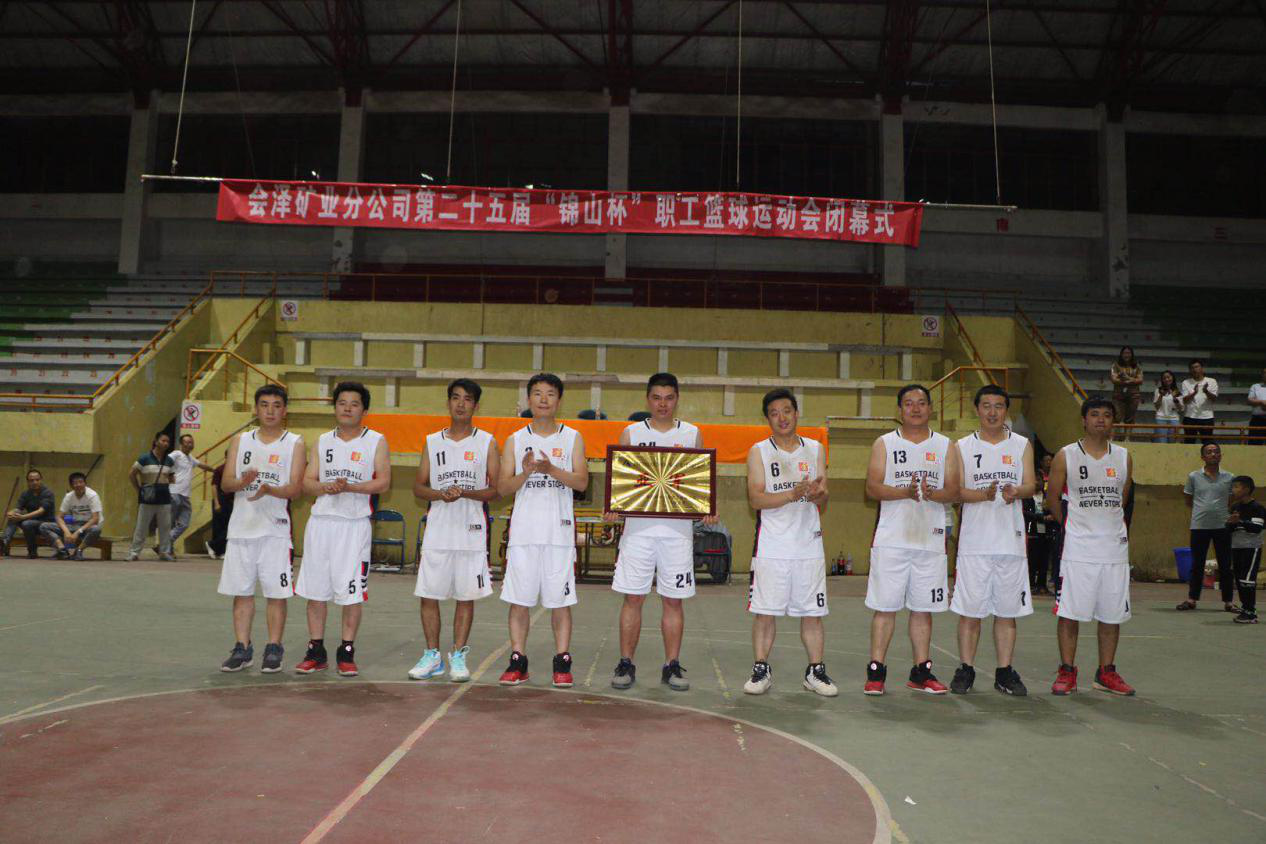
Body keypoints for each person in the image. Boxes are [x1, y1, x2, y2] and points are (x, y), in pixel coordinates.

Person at [607, 373, 711, 692]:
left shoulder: (692, 434)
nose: (662, 404)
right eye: (656, 397)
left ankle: (672, 665)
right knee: (633, 597)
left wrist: (707, 506)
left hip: (677, 533)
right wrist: (614, 505)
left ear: (677, 399)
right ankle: (626, 662)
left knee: (673, 601)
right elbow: (621, 480)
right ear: (648, 399)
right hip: (638, 531)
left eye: (668, 398)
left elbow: (700, 481)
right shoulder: (632, 433)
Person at [862, 384, 962, 696]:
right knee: (885, 608)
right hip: (891, 539)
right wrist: (905, 491)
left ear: (930, 408)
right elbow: (872, 488)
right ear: (899, 410)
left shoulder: (945, 445)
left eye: (921, 403)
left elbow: (954, 490)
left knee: (923, 609)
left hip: (929, 541)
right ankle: (876, 672)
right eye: (909, 403)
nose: (915, 408)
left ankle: (921, 672)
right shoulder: (885, 443)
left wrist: (934, 494)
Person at [742, 388, 836, 697]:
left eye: (786, 411)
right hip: (772, 545)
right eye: (774, 413)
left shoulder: (815, 449)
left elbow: (823, 495)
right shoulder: (759, 451)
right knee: (765, 612)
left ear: (796, 413)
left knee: (813, 613)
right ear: (767, 419)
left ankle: (815, 671)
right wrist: (792, 494)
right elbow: (756, 499)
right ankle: (760, 668)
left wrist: (817, 493)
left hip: (809, 544)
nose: (781, 417)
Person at [496, 373, 588, 687]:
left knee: (560, 601)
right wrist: (525, 473)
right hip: (524, 532)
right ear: (529, 400)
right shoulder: (515, 439)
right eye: (537, 393)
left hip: (558, 533)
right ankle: (518, 660)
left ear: (559, 400)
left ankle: (562, 661)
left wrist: (551, 469)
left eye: (550, 393)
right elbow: (502, 488)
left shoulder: (572, 437)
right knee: (519, 600)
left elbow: (582, 482)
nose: (544, 399)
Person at [295, 382, 390, 677]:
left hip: (354, 525)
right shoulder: (323, 441)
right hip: (321, 523)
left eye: (354, 403)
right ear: (334, 407)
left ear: (364, 410)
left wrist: (351, 487)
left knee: (352, 593)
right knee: (315, 591)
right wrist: (326, 487)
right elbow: (306, 482)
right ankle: (316, 650)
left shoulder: (376, 441)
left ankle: (346, 651)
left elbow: (383, 482)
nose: (347, 408)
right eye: (342, 403)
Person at [408, 378, 500, 683]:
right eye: (456, 397)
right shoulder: (432, 441)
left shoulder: (486, 442)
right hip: (438, 528)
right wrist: (440, 494)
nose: (461, 404)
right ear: (448, 402)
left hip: (471, 530)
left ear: (476, 405)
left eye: (468, 399)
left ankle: (458, 655)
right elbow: (418, 487)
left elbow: (496, 489)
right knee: (428, 594)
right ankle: (432, 655)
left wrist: (465, 493)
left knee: (465, 596)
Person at [949, 386, 1036, 696]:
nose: (992, 412)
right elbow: (955, 490)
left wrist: (1018, 491)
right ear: (977, 409)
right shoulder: (961, 446)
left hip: (1010, 542)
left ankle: (1004, 671)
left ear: (1006, 410)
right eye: (986, 405)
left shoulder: (1021, 445)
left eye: (999, 406)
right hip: (974, 542)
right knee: (970, 611)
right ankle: (966, 668)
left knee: (1007, 611)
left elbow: (1031, 484)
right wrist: (981, 495)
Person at [1047, 398, 1135, 696]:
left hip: (1113, 549)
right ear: (1084, 420)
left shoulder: (1123, 456)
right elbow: (1053, 499)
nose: (1101, 419)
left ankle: (1106, 672)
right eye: (1094, 414)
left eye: (1107, 415)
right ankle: (1067, 670)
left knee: (1112, 614)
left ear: (1113, 422)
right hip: (1078, 549)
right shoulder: (1067, 455)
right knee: (1070, 612)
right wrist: (1074, 526)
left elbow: (1122, 499)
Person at [217, 385, 306, 673]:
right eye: (264, 405)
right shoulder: (241, 440)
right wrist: (242, 483)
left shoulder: (295, 442)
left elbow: (296, 489)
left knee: (276, 593)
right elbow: (226, 483)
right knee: (241, 592)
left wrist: (270, 489)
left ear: (284, 410)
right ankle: (242, 648)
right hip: (241, 528)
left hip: (275, 531)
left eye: (276, 405)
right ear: (256, 409)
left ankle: (274, 647)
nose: (270, 410)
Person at [1175, 443, 1235, 612]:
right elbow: (1188, 500)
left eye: (1216, 452)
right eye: (1209, 452)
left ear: (1220, 455)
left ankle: (1229, 601)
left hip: (1223, 526)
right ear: (1203, 457)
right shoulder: (1194, 476)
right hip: (1199, 526)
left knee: (1225, 564)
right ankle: (1192, 599)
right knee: (1197, 564)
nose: (1213, 454)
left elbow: (1231, 500)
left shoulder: (1230, 477)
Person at [127, 432, 176, 561]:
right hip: (147, 498)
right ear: (156, 441)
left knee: (165, 527)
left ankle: (164, 552)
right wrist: (138, 489)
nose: (166, 443)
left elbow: (172, 478)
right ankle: (134, 553)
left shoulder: (169, 460)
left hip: (164, 498)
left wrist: (166, 479)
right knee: (141, 526)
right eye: (163, 440)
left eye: (168, 441)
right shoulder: (144, 458)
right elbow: (132, 474)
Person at [1227, 476, 1264, 624]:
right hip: (1236, 547)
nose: (1233, 490)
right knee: (1239, 579)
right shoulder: (1235, 507)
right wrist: (1230, 524)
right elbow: (1229, 528)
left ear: (1247, 489)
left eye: (1236, 487)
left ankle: (1251, 612)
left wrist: (1240, 521)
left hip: (1251, 548)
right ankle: (1245, 608)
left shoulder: (1257, 508)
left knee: (1247, 580)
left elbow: (1257, 528)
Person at [40, 472, 102, 560]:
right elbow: (59, 517)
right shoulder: (69, 496)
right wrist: (66, 532)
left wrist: (77, 532)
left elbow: (95, 519)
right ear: (71, 485)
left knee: (96, 529)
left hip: (87, 526)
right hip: (74, 524)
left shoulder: (92, 495)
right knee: (44, 526)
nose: (78, 485)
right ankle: (62, 550)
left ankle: (79, 551)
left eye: (81, 482)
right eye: (75, 483)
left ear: (85, 483)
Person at [168, 433, 213, 549]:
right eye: (187, 442)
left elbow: (202, 465)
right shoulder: (176, 454)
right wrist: (168, 475)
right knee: (170, 523)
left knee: (184, 523)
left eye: (191, 442)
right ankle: (167, 548)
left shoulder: (190, 458)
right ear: (181, 444)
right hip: (174, 493)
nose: (190, 444)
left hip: (185, 495)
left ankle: (165, 543)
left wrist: (216, 470)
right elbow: (165, 462)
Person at [2, 469, 56, 558]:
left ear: (41, 480)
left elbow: (40, 511)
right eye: (31, 480)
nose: (34, 482)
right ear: (28, 482)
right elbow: (18, 508)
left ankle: (32, 551)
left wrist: (22, 517)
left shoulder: (47, 493)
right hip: (30, 520)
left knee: (26, 523)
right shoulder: (26, 494)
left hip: (45, 523)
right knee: (14, 516)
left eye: (37, 480)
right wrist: (11, 513)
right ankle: (5, 543)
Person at [1025, 472, 1055, 596]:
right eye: (1034, 480)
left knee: (1044, 561)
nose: (1037, 482)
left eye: (1039, 479)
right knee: (1032, 560)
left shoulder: (1047, 496)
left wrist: (1050, 514)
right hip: (1033, 532)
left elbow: (1055, 509)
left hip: (1046, 533)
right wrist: (1041, 518)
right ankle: (1031, 585)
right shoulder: (1027, 496)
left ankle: (1042, 585)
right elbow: (1025, 513)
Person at [1180, 359, 1218, 444]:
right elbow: (1184, 400)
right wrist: (1194, 393)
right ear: (1190, 370)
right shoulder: (1186, 382)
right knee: (1189, 443)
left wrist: (1206, 391)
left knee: (1207, 443)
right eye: (1192, 368)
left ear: (1202, 368)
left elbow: (1214, 399)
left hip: (1207, 417)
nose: (1194, 369)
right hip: (1190, 417)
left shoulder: (1212, 381)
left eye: (1197, 367)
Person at [1109, 347, 1144, 438]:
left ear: (1132, 355)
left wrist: (1127, 378)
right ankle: (1111, 438)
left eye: (1128, 353)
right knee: (1116, 416)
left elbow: (1140, 380)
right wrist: (1131, 380)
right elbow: (1114, 379)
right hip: (1118, 395)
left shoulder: (1137, 366)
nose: (1126, 355)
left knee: (1130, 418)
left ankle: (1127, 439)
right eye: (1125, 353)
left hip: (1133, 395)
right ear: (1121, 354)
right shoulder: (1115, 365)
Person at [206, 464, 233, 559]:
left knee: (228, 526)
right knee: (218, 526)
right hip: (220, 499)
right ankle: (216, 549)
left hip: (230, 501)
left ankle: (215, 547)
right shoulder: (220, 469)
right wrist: (217, 503)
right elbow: (214, 486)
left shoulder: (235, 469)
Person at [1152, 370, 1184, 444]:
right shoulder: (1158, 390)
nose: (1166, 379)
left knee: (1173, 443)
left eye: (1168, 377)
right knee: (1161, 442)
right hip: (1161, 418)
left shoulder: (1177, 391)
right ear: (1162, 380)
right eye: (1164, 378)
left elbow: (1181, 408)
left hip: (1174, 419)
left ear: (1172, 378)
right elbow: (1157, 407)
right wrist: (1161, 395)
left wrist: (1174, 398)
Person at [1248, 368, 1266, 445]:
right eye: (1265, 373)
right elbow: (1249, 400)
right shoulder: (1255, 386)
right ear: (1262, 375)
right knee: (1254, 444)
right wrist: (1261, 402)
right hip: (1257, 419)